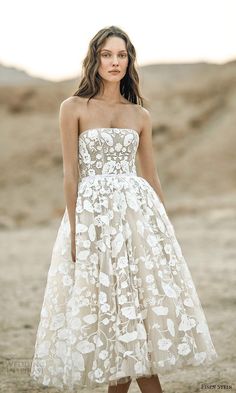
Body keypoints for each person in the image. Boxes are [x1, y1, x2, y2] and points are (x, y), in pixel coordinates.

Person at [30, 25, 218, 393]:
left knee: (139, 311)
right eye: (106, 55)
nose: (114, 62)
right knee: (110, 312)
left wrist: (165, 233)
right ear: (94, 60)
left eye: (121, 55)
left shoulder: (140, 115)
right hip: (94, 221)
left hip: (139, 221)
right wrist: (75, 230)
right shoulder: (73, 108)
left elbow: (151, 176)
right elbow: (71, 174)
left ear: (129, 60)